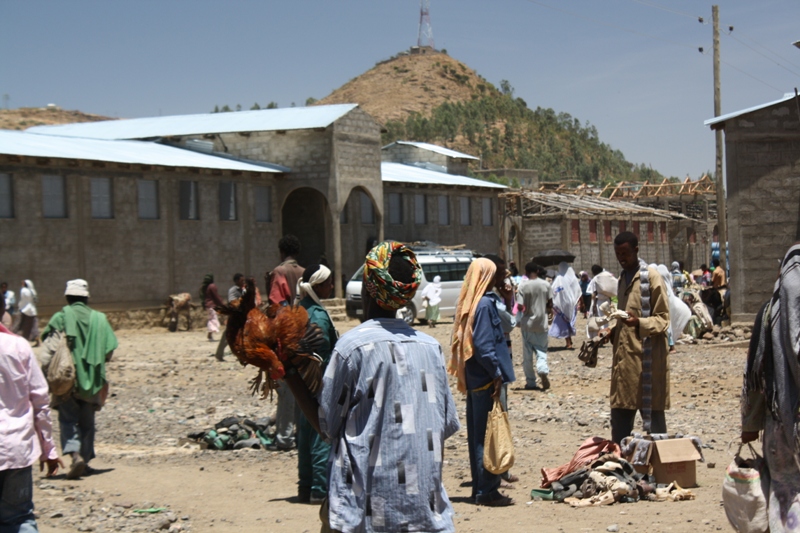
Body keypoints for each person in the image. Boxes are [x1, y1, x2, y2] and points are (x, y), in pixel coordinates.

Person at [285, 241, 460, 532]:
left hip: (365, 515)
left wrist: (290, 372)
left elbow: (327, 426)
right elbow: (445, 424)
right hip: (426, 515)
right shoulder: (431, 348)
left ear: (368, 285)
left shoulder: (353, 347)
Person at [741, 243, 800, 533]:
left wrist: (749, 424)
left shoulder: (768, 313)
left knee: (785, 494)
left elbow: (754, 373)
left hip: (779, 426)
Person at [450, 258, 515, 507]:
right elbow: (485, 346)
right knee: (488, 437)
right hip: (487, 379)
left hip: (475, 378)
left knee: (477, 437)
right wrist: (497, 374)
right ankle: (487, 491)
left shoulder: (471, 301)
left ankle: (480, 489)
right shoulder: (486, 304)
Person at [41, 279, 118, 480]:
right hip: (92, 380)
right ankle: (85, 460)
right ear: (86, 298)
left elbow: (48, 351)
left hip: (67, 380)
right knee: (87, 421)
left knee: (68, 420)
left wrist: (45, 376)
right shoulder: (100, 319)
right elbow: (109, 349)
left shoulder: (61, 317)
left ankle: (75, 456)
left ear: (67, 297)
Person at [0, 295, 63, 532]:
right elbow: (40, 400)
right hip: (16, 448)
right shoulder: (18, 346)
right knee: (19, 519)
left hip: (15, 449)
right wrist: (48, 450)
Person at [609, 232, 670, 444]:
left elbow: (663, 320)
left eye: (625, 253)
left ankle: (660, 467)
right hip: (625, 363)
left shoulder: (651, 278)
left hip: (647, 363)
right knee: (620, 418)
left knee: (653, 420)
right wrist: (611, 331)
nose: (621, 258)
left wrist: (640, 323)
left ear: (636, 250)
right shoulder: (622, 278)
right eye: (618, 254)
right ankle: (621, 467)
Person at [295, 264, 337, 505]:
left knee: (305, 432)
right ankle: (320, 489)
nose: (331, 286)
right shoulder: (318, 315)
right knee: (322, 432)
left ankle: (305, 486)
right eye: (329, 282)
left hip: (301, 381)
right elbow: (321, 351)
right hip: (319, 381)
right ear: (319, 285)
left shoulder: (299, 310)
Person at [267, 235, 305, 451]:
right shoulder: (303, 272)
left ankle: (283, 438)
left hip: (285, 341)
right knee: (302, 389)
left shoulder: (279, 273)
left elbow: (277, 305)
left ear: (281, 251)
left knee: (286, 390)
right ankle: (301, 436)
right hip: (304, 337)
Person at [518, 262, 553, 390]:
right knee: (541, 350)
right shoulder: (545, 284)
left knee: (527, 355)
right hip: (541, 323)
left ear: (526, 272)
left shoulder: (523, 286)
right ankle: (542, 369)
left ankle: (531, 382)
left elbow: (520, 306)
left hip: (527, 324)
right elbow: (550, 304)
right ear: (538, 271)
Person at [549, 262, 581, 349]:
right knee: (569, 321)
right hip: (572, 303)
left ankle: (568, 342)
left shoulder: (559, 278)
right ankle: (569, 340)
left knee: (564, 321)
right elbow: (578, 290)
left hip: (563, 303)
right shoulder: (573, 278)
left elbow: (554, 290)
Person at [215, 273, 245, 361]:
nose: (243, 282)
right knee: (227, 337)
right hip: (234, 317)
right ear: (236, 281)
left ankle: (240, 356)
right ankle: (219, 354)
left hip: (241, 317)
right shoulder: (233, 290)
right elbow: (233, 302)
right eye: (241, 280)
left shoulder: (243, 290)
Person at [586, 265, 618, 340]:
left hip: (598, 302)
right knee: (605, 319)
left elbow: (593, 293)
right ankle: (605, 336)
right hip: (607, 301)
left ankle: (598, 336)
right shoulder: (608, 275)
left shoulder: (596, 278)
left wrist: (593, 305)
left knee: (598, 319)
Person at [14, 280, 39, 346]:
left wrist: (20, 306)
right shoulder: (33, 291)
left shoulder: (24, 290)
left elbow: (23, 300)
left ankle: (14, 338)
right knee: (33, 326)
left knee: (19, 324)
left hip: (24, 310)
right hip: (32, 311)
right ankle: (35, 340)